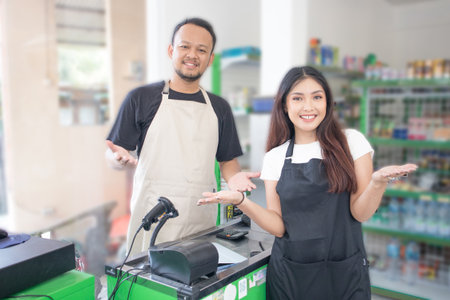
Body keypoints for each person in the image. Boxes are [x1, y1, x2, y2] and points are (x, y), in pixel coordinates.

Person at [198, 66, 417, 299]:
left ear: (327, 102)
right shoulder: (276, 156)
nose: (308, 106)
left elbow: (360, 213)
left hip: (344, 273)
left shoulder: (352, 142)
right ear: (285, 105)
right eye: (298, 98)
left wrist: (376, 183)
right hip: (292, 276)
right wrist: (242, 201)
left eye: (317, 97)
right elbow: (279, 225)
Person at [106, 17, 259, 255]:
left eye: (201, 50)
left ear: (210, 59)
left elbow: (228, 162)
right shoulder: (141, 98)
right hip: (152, 217)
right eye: (185, 46)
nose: (192, 55)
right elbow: (115, 152)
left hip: (201, 221)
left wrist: (236, 180)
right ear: (171, 50)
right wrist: (116, 159)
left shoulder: (220, 108)